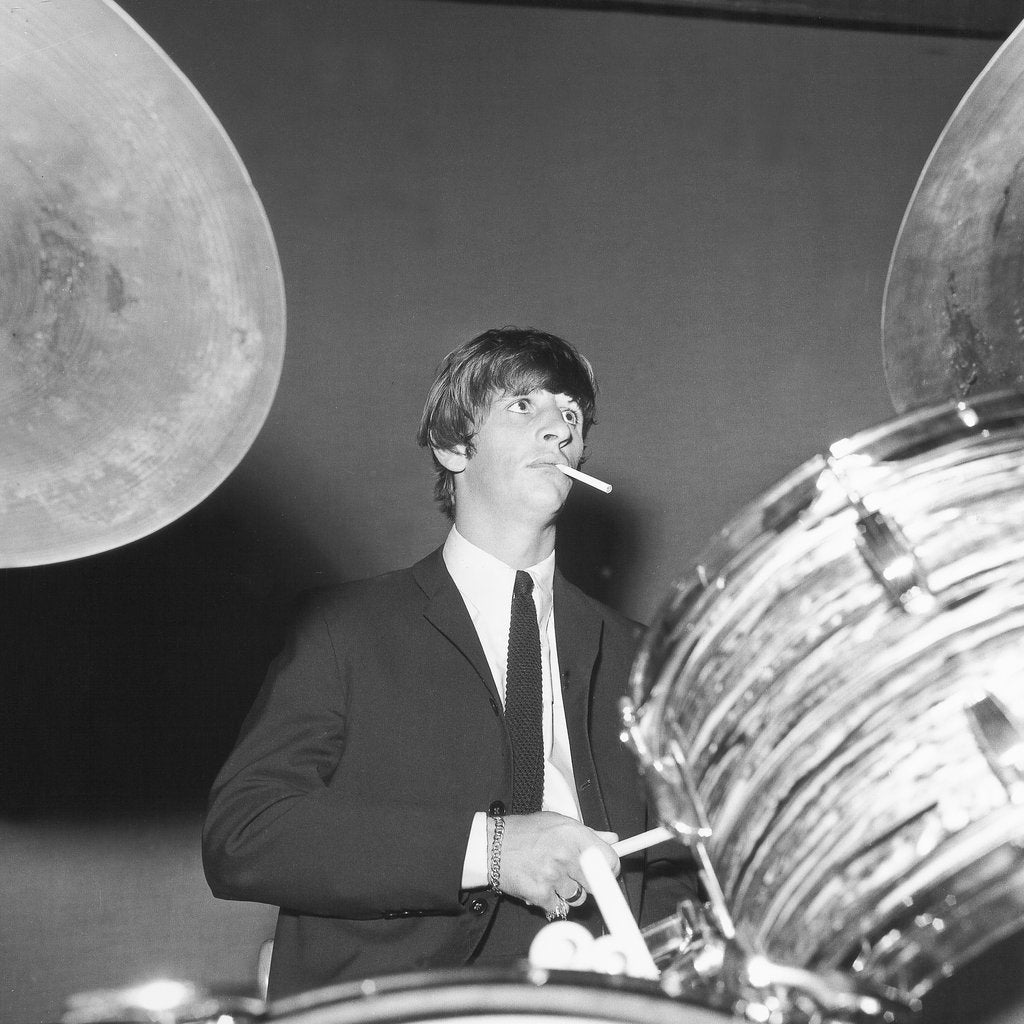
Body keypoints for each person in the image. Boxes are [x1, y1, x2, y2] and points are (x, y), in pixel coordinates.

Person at [202, 327, 695, 998]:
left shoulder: (640, 652)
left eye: (572, 416)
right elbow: (246, 836)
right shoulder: (344, 628)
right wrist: (490, 852)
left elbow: (673, 871)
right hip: (402, 1003)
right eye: (525, 406)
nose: (560, 430)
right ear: (453, 447)